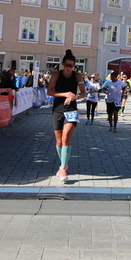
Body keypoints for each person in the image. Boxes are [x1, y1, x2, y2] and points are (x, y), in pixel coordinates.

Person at [46, 49, 86, 182]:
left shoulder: (77, 76)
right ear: (63, 64)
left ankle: (63, 168)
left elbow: (83, 93)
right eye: (67, 65)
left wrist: (74, 96)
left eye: (71, 65)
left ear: (74, 66)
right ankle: (63, 163)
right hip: (58, 110)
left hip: (71, 110)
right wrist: (65, 94)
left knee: (66, 137)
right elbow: (49, 92)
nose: (69, 68)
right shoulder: (56, 75)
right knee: (59, 141)